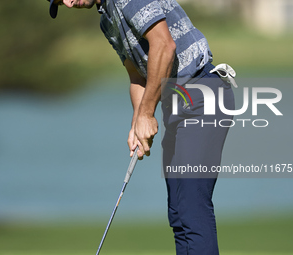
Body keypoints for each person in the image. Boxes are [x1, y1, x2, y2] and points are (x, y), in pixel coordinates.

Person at [45, 0, 236, 254]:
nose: (69, 3)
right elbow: (136, 74)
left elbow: (165, 46)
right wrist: (137, 122)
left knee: (191, 205)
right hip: (180, 105)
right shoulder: (107, 20)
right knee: (179, 214)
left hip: (202, 93)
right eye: (61, 2)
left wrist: (148, 113)